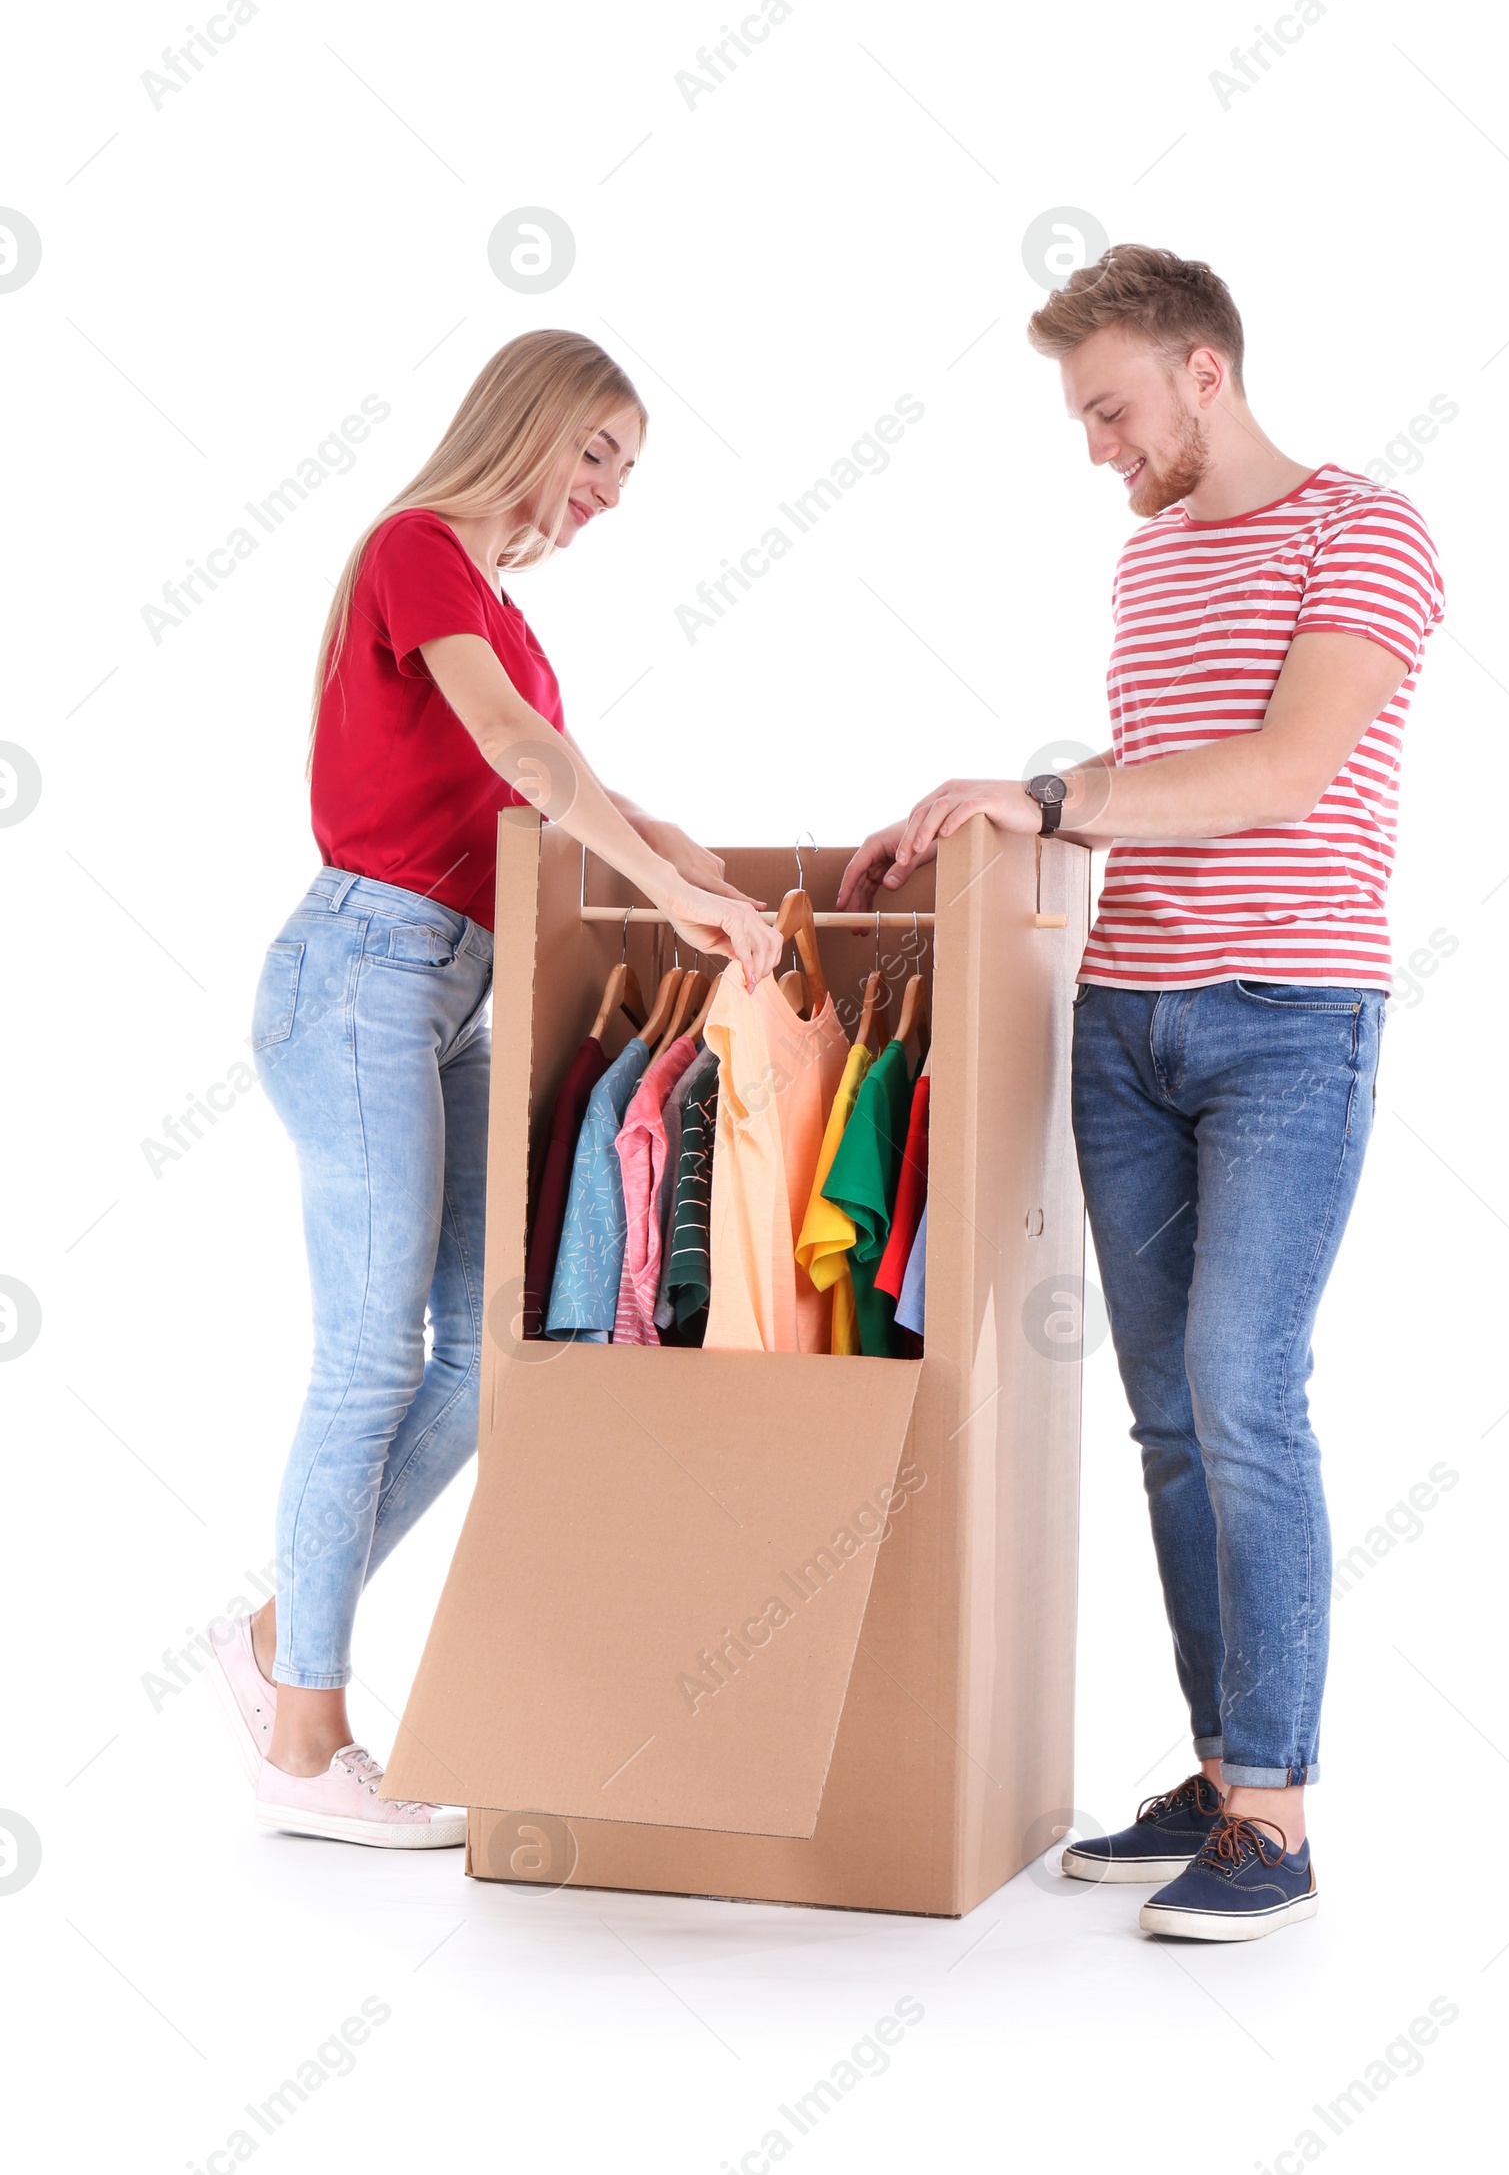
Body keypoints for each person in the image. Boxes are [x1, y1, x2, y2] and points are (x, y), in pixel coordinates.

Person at [840, 245, 1443, 1939]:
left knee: (1247, 1389)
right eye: (1082, 417)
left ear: (1205, 373)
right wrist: (1015, 827)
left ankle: (1278, 1812)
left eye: (1112, 409)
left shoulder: (1364, 529)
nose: (1099, 445)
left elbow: (1278, 772)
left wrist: (1043, 794)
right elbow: (1142, 799)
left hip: (1288, 1016)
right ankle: (1215, 1770)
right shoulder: (1148, 559)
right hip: (1128, 1025)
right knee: (1173, 1420)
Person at [205, 331, 782, 1848]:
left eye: (627, 473)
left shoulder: (507, 617)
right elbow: (526, 757)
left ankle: (276, 1636)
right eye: (595, 451)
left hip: (448, 988)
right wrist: (663, 881)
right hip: (358, 977)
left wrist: (695, 860)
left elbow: (560, 777)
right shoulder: (417, 552)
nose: (607, 493)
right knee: (367, 1357)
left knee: (482, 1347)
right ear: (524, 420)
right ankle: (306, 1737)